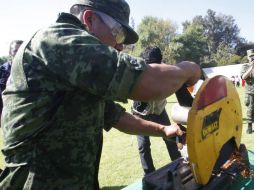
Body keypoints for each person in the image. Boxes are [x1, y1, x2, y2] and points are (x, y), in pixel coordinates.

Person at [0, 0, 201, 189]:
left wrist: (163, 130)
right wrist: (188, 69)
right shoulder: (59, 40)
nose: (120, 46)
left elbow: (115, 116)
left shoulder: (77, 68)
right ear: (89, 19)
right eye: (119, 34)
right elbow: (148, 82)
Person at [131, 46, 181, 176]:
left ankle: (180, 165)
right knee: (143, 145)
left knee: (170, 139)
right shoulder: (136, 70)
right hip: (140, 113)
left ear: (160, 62)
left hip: (159, 111)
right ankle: (149, 174)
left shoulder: (167, 71)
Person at [0, 40, 23, 113]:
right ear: (10, 53)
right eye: (15, 51)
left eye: (21, 50)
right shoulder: (2, 70)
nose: (18, 53)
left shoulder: (32, 71)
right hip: (3, 111)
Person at [240, 49, 254, 134]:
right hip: (250, 92)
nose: (252, 58)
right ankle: (249, 127)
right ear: (248, 57)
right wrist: (251, 67)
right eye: (251, 56)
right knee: (250, 109)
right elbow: (243, 77)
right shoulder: (245, 66)